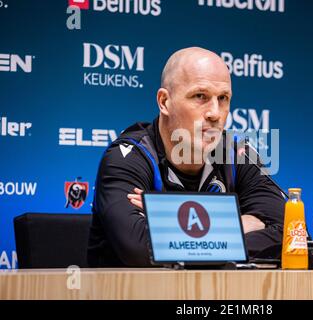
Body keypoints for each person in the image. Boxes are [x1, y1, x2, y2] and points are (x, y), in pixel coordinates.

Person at [87, 47, 285, 267]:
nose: (215, 113)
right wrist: (239, 225)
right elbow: (138, 248)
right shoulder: (127, 157)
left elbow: (288, 236)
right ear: (164, 102)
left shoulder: (238, 155)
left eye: (223, 98)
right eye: (200, 96)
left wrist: (168, 223)